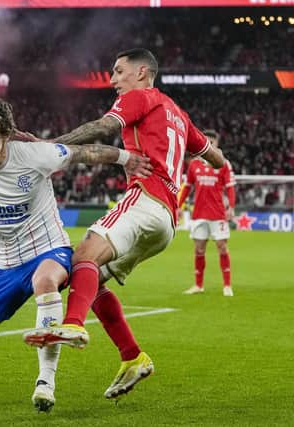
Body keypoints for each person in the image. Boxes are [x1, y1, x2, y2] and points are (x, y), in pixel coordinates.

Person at [0, 97, 152, 411]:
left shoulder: (34, 155)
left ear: (6, 135)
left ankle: (46, 382)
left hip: (49, 250)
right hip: (3, 266)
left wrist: (126, 158)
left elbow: (86, 153)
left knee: (45, 280)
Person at [22, 49, 226, 400]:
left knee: (83, 255)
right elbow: (218, 159)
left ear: (142, 72)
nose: (113, 80)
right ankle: (133, 357)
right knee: (91, 277)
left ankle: (72, 324)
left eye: (118, 72)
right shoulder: (178, 113)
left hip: (145, 199)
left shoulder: (139, 97)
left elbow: (101, 128)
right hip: (166, 222)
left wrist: (45, 148)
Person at [177, 130, 236, 296]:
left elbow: (230, 187)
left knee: (222, 247)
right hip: (199, 213)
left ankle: (227, 285)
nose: (209, 145)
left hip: (218, 213)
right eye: (207, 142)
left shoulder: (223, 163)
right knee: (199, 249)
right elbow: (187, 187)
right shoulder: (194, 164)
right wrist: (179, 206)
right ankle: (198, 285)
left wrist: (231, 206)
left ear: (217, 144)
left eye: (212, 142)